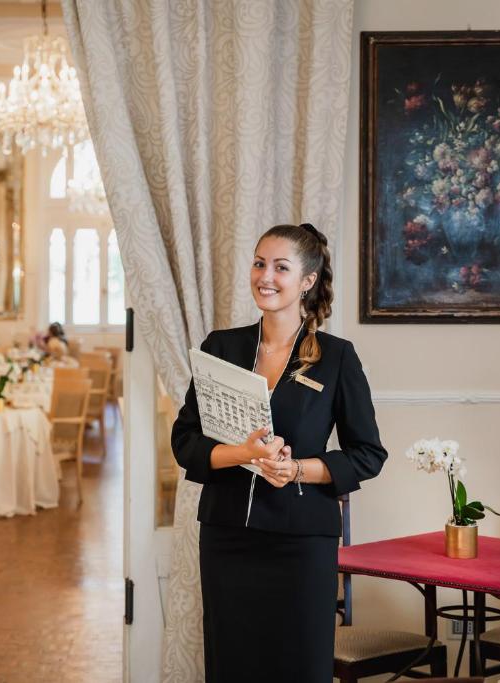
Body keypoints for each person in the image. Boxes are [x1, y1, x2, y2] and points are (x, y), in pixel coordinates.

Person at [171, 223, 387, 681]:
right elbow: (185, 441)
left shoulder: (337, 357)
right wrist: (241, 453)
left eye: (281, 267)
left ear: (307, 281)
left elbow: (368, 453)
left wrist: (297, 470)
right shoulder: (220, 347)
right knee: (231, 666)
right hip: (227, 535)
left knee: (299, 668)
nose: (265, 276)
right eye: (259, 263)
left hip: (303, 542)